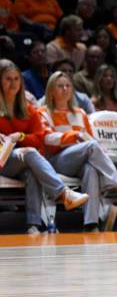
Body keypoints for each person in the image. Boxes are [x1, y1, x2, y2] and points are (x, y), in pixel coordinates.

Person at [40, 71, 117, 231]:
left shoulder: (80, 113)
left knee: (91, 169)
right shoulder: (43, 112)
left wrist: (87, 142)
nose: (65, 89)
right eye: (60, 86)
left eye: (68, 86)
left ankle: (91, 224)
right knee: (90, 147)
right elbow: (48, 139)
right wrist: (73, 136)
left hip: (81, 158)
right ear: (51, 90)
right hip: (55, 161)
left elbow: (90, 138)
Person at [0, 60, 88, 234]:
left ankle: (33, 225)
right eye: (8, 79)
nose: (13, 83)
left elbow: (39, 140)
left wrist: (21, 136)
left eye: (16, 78)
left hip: (19, 162)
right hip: (2, 161)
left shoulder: (29, 109)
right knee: (29, 153)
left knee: (32, 169)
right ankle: (63, 194)